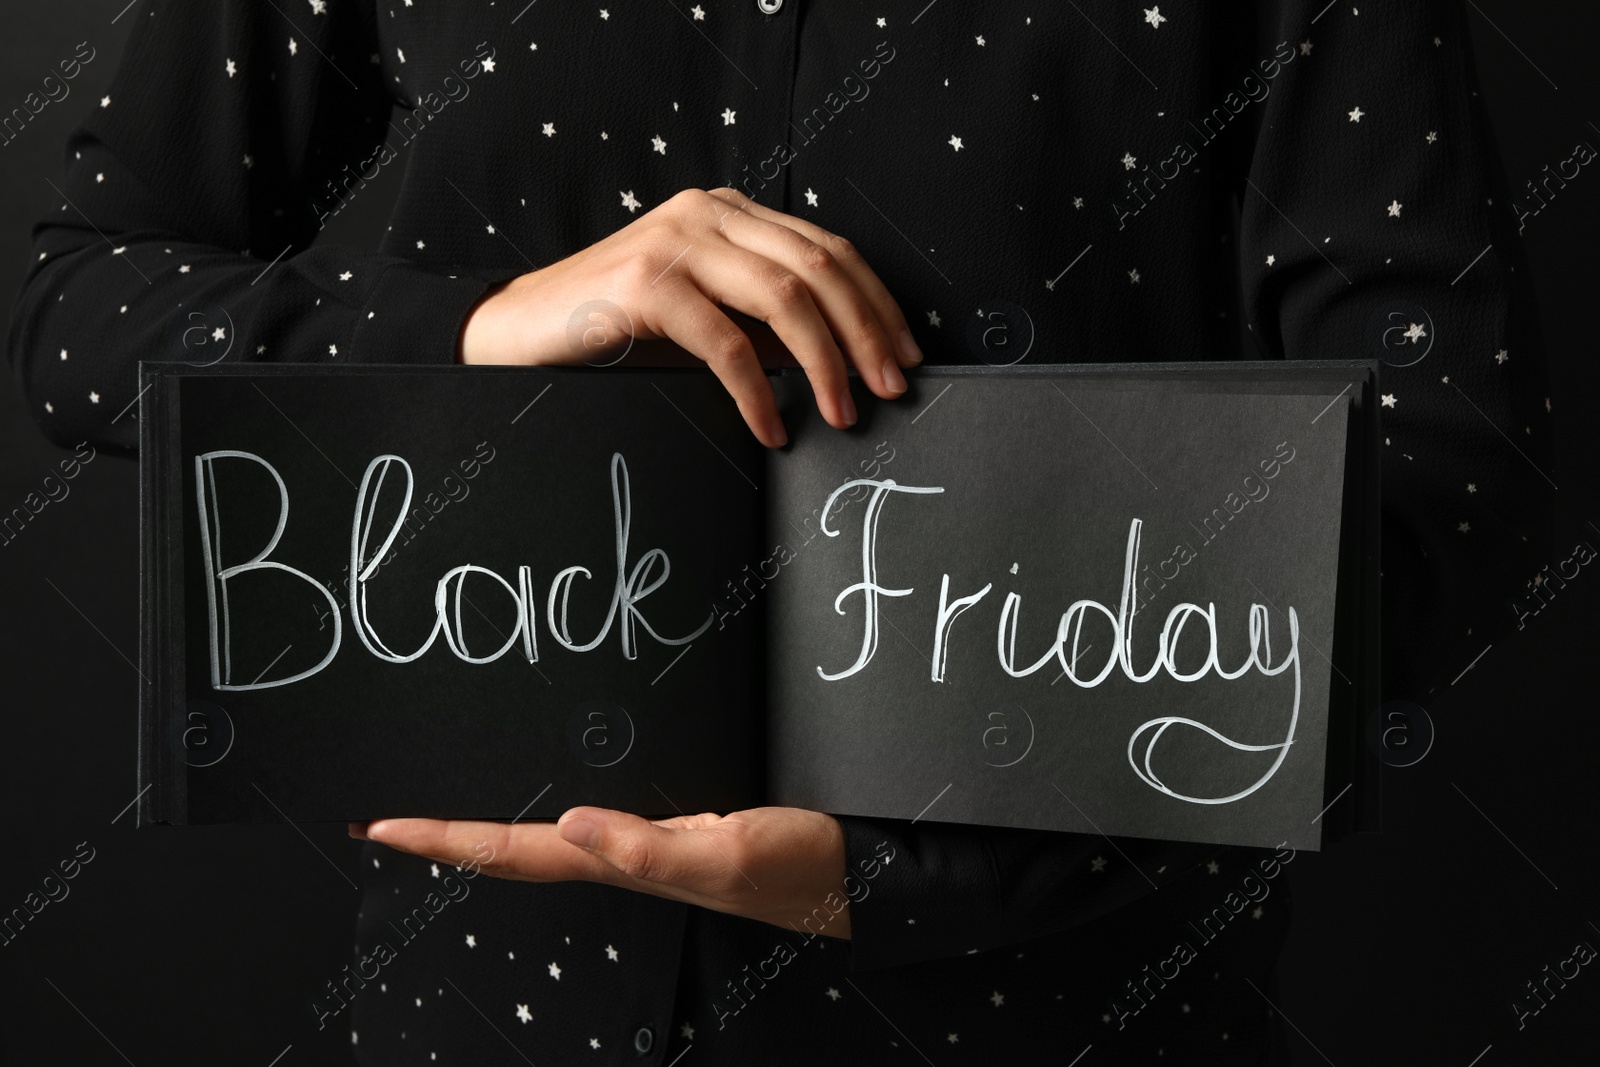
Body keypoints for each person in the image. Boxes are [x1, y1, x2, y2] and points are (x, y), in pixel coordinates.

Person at [6, 1, 1555, 1062]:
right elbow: (73, 305)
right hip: (472, 1015)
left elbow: (1451, 483)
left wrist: (919, 867)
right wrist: (471, 326)